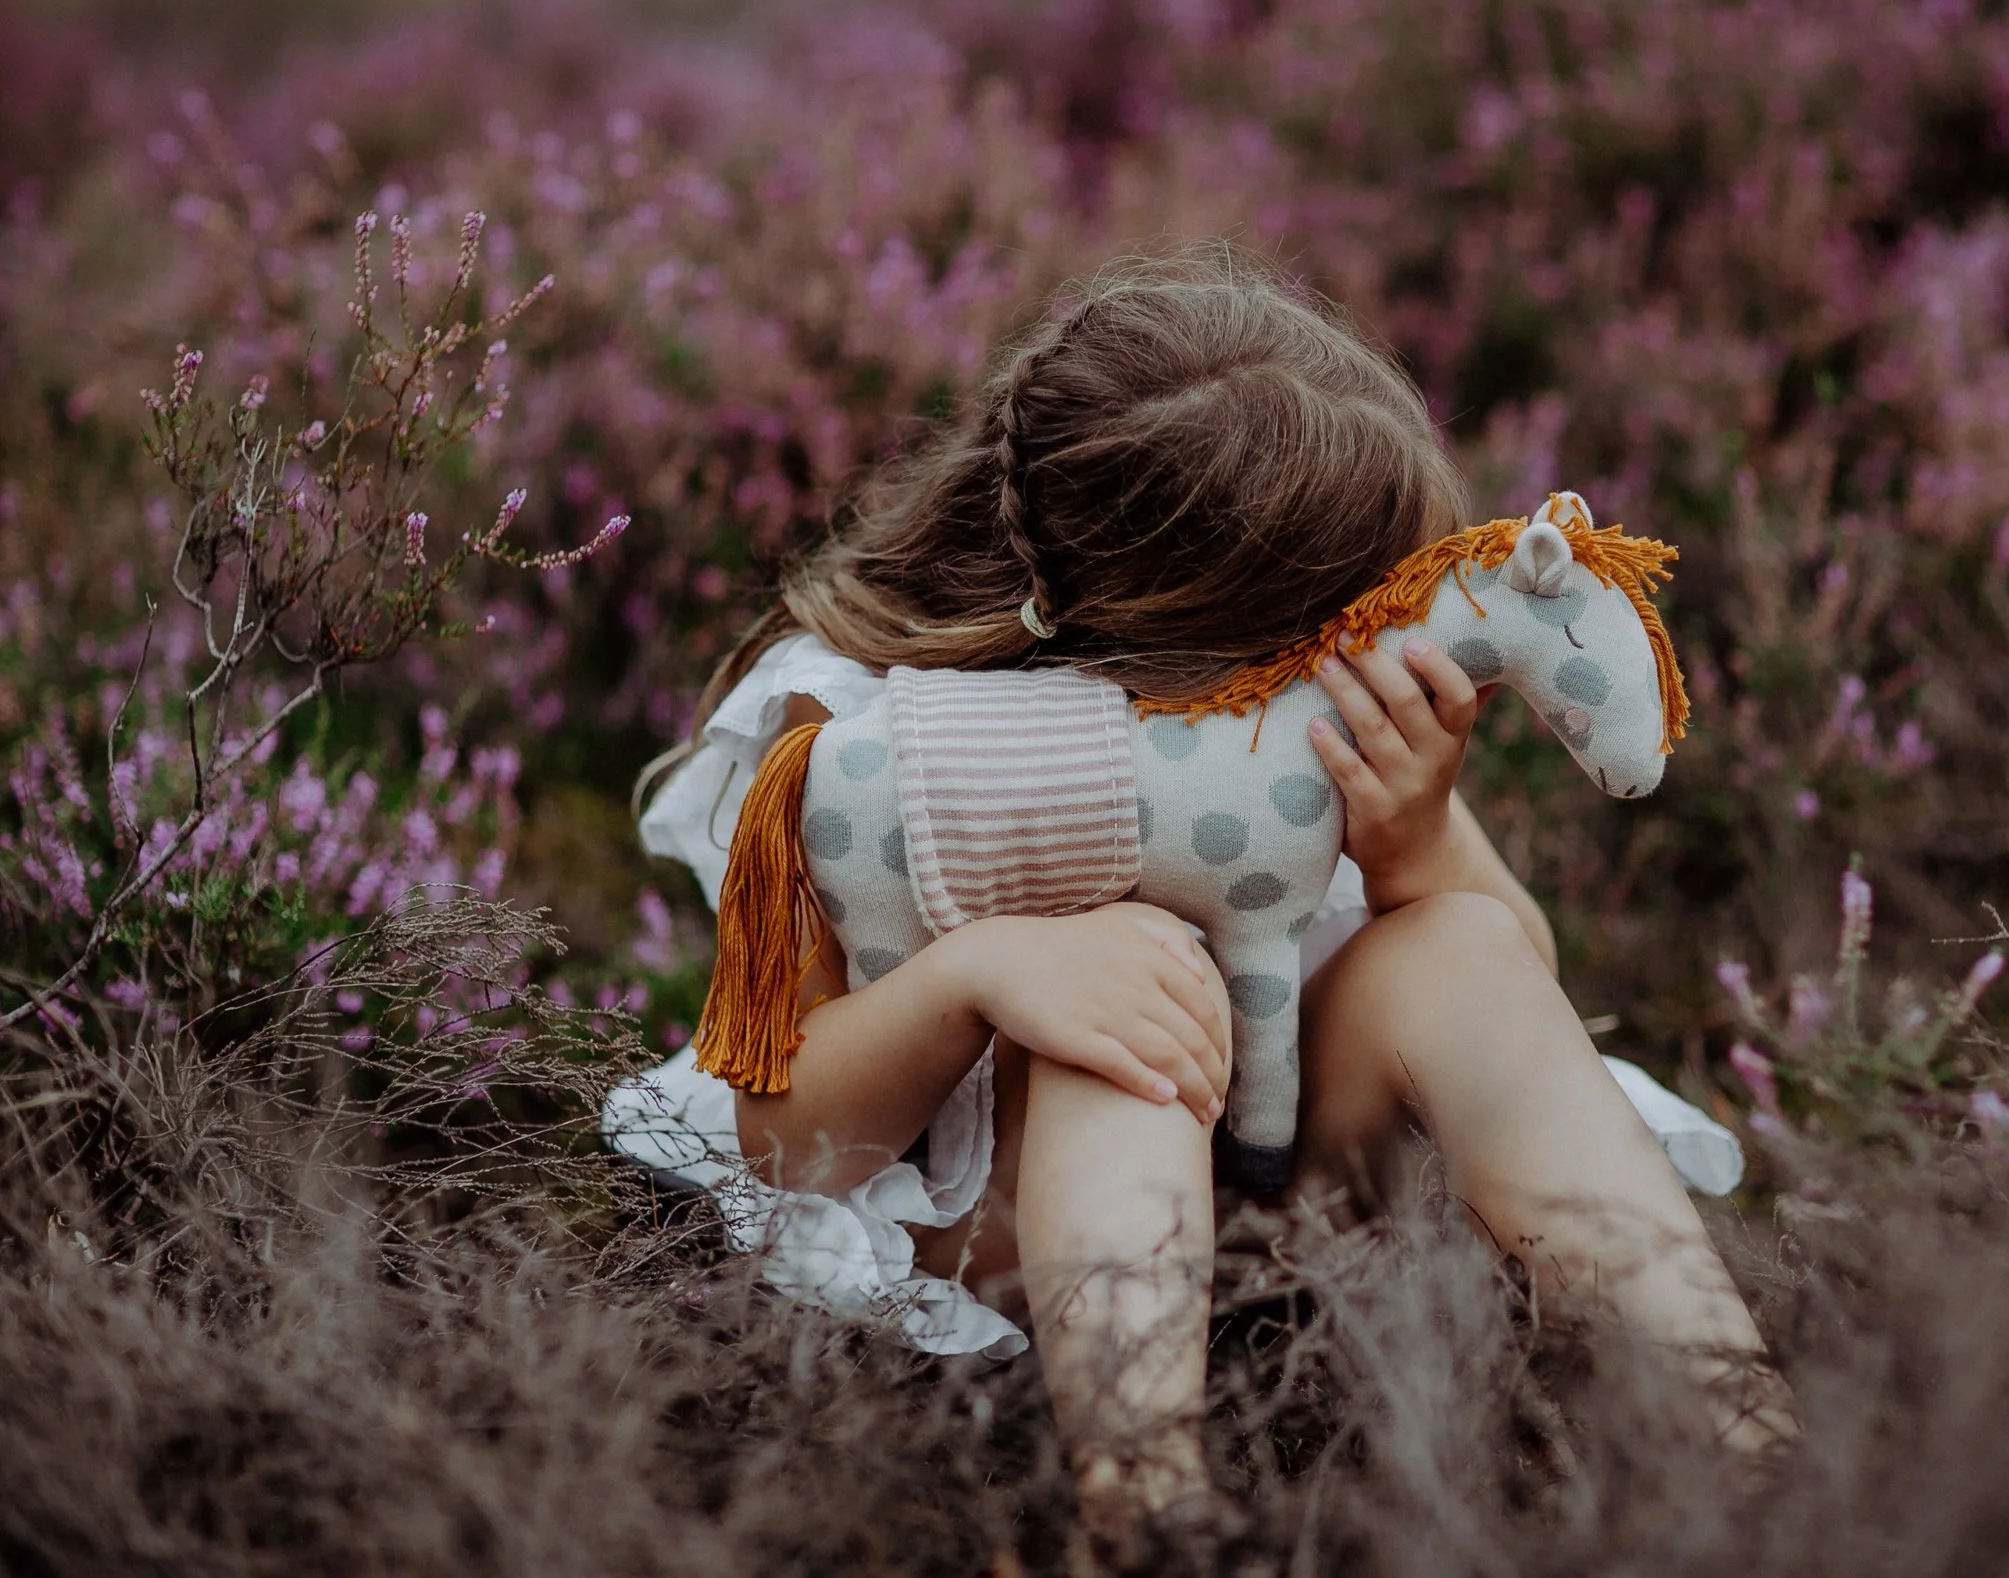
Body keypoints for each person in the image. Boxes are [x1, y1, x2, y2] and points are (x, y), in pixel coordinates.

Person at [619, 249, 1792, 1548]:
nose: (1365, 654)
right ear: (1154, 637)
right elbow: (780, 1129)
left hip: (1287, 1203)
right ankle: (1145, 1505)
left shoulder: (1330, 721)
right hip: (1008, 1239)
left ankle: (1737, 1426)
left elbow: (1524, 990)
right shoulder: (858, 729)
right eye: (1325, 638)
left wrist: (1410, 842)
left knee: (1459, 942)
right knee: (1125, 985)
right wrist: (978, 977)